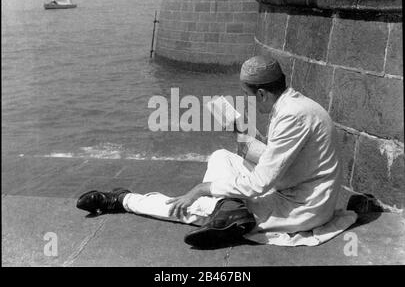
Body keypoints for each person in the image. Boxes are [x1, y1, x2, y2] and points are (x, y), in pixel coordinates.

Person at [77, 56, 356, 248]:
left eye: (250, 95)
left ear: (261, 94)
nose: (251, 101)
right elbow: (280, 159)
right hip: (296, 188)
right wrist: (242, 134)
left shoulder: (291, 116)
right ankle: (231, 210)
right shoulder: (297, 105)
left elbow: (262, 182)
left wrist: (203, 188)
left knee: (196, 206)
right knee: (222, 156)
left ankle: (123, 199)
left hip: (300, 208)